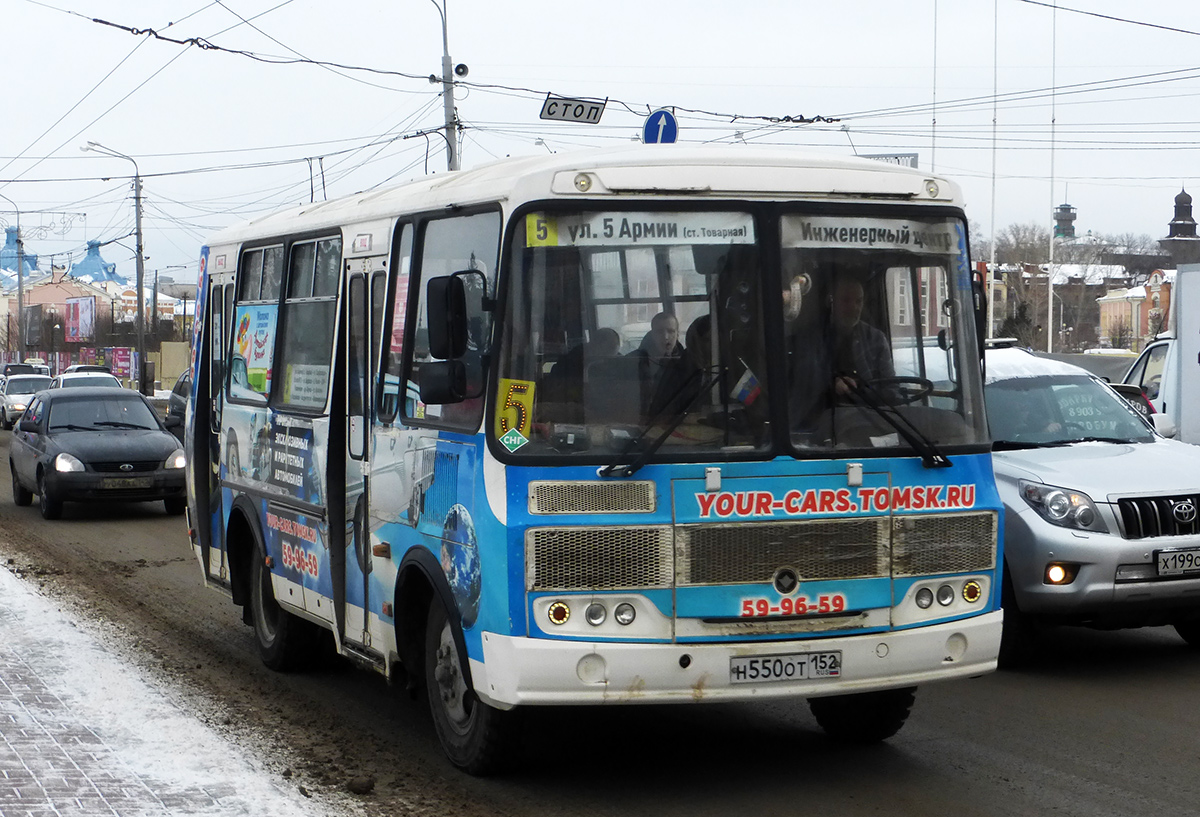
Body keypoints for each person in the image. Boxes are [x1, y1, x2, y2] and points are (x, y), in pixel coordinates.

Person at [828, 275, 894, 399]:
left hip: (871, 412)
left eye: (859, 301)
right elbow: (808, 383)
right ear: (832, 301)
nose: (854, 308)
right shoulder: (817, 339)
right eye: (846, 300)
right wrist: (833, 383)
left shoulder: (876, 339)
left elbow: (892, 387)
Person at [630, 312, 698, 418]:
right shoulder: (634, 361)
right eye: (659, 332)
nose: (666, 337)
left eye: (671, 331)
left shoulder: (689, 364)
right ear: (652, 334)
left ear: (677, 334)